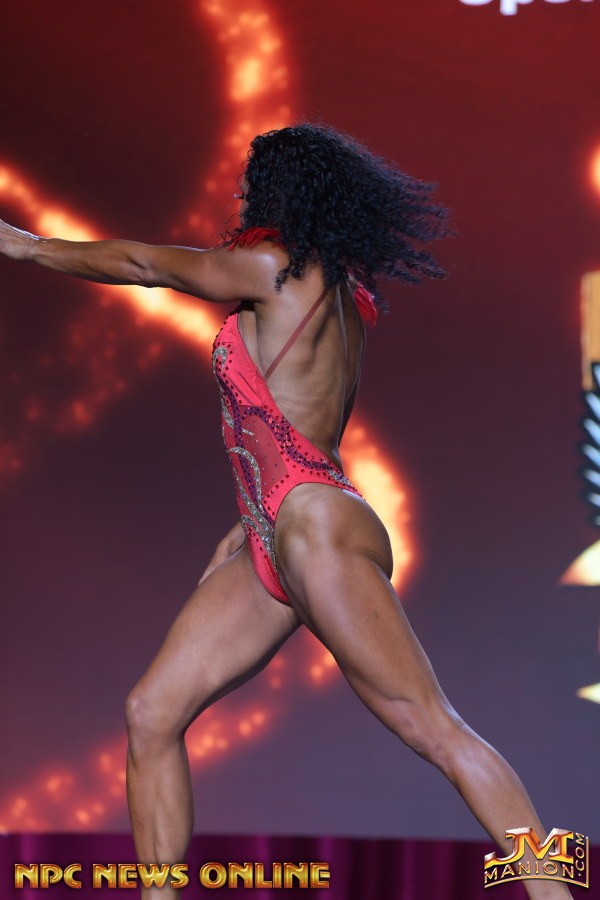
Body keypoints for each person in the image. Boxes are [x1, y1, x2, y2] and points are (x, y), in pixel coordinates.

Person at [0, 123, 572, 899]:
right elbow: (291, 425)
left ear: (284, 192)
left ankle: (551, 891)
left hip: (316, 526)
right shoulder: (343, 293)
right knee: (152, 712)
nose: (239, 191)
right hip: (275, 530)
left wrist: (27, 247)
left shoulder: (273, 268)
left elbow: (144, 264)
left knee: (433, 728)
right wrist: (248, 521)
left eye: (253, 179)